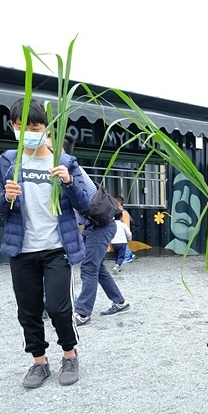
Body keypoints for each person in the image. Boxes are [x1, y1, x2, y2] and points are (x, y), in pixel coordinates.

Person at [0, 98, 91, 388]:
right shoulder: (7, 163)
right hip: (22, 249)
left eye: (34, 127)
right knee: (28, 310)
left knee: (58, 309)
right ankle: (39, 362)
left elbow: (85, 204)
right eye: (22, 127)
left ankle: (69, 355)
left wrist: (69, 182)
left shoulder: (64, 161)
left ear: (47, 129)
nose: (28, 132)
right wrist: (5, 198)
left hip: (58, 248)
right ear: (13, 127)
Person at [65, 136, 131, 327]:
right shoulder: (70, 170)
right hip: (94, 226)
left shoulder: (72, 170)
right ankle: (120, 302)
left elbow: (83, 202)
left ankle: (83, 313)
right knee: (97, 267)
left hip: (99, 226)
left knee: (88, 268)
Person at [115, 195, 136, 263]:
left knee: (124, 246)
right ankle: (130, 255)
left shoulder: (123, 212)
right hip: (123, 231)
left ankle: (127, 257)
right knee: (124, 245)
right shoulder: (124, 212)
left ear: (118, 204)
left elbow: (125, 222)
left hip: (123, 232)